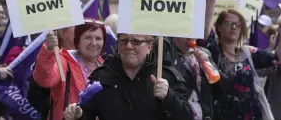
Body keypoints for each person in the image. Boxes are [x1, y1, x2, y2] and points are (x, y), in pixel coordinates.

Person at [203, 0, 281, 120]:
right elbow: (205, 27)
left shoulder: (247, 53)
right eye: (228, 23)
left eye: (238, 25)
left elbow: (278, 57)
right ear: (219, 27)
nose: (233, 27)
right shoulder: (213, 51)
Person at [63, 33, 194, 120]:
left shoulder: (166, 77)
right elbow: (85, 113)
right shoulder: (102, 77)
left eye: (136, 41)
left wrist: (168, 97)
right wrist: (77, 116)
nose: (129, 46)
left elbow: (187, 116)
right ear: (118, 45)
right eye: (124, 41)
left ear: (149, 46)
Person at [33, 19, 106, 120]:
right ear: (78, 42)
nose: (93, 43)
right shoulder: (64, 60)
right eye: (88, 38)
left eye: (98, 38)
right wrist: (49, 51)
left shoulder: (107, 66)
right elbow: (44, 78)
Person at [162, 37, 221, 120]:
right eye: (186, 35)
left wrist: (209, 64)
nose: (190, 38)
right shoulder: (167, 54)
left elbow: (220, 88)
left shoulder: (204, 53)